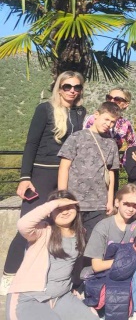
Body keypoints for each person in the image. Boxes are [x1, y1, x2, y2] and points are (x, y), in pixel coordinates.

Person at [3, 72, 87, 294]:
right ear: (59, 87)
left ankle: (49, 275)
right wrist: (25, 177)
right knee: (29, 223)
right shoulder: (45, 109)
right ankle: (9, 274)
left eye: (77, 87)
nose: (72, 90)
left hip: (67, 175)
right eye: (67, 86)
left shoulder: (80, 112)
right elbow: (31, 143)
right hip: (42, 173)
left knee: (60, 226)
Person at [5, 190, 95, 320]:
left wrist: (73, 286)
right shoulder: (43, 231)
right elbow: (23, 224)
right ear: (50, 212)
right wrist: (52, 204)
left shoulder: (81, 232)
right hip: (31, 297)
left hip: (61, 296)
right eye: (59, 209)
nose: (65, 212)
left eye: (69, 207)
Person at [84, 184, 136, 319]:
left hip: (124, 272)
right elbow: (97, 266)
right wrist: (128, 259)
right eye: (126, 204)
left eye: (135, 205)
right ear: (116, 202)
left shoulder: (135, 224)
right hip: (104, 274)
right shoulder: (103, 226)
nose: (131, 209)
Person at [57, 101, 120, 238]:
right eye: (106, 119)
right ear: (96, 115)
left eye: (112, 122)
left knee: (94, 243)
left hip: (99, 203)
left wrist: (110, 200)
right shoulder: (76, 137)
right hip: (74, 201)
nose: (108, 124)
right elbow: (64, 168)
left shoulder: (111, 144)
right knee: (71, 242)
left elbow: (111, 173)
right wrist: (63, 197)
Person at [85, 88, 136, 155]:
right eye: (109, 98)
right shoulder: (94, 119)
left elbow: (133, 144)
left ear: (126, 104)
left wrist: (125, 159)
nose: (112, 101)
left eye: (117, 99)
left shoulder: (125, 124)